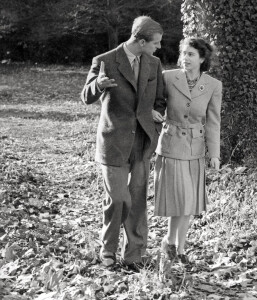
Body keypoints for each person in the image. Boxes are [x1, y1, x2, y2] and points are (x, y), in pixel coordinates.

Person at [81, 16, 166, 269]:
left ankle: (134, 254)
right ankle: (108, 249)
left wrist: (154, 117)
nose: (159, 47)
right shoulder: (105, 60)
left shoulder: (154, 63)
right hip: (113, 142)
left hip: (142, 142)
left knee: (138, 200)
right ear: (140, 41)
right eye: (156, 43)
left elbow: (159, 100)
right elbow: (85, 96)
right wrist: (98, 84)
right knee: (118, 198)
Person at [152, 37, 222, 264]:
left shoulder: (213, 85)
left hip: (195, 148)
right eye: (184, 53)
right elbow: (156, 103)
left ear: (202, 58)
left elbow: (213, 121)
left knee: (189, 202)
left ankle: (179, 248)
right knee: (180, 199)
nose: (185, 58)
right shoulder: (168, 77)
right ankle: (171, 242)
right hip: (171, 144)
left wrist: (214, 154)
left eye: (191, 54)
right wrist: (154, 113)